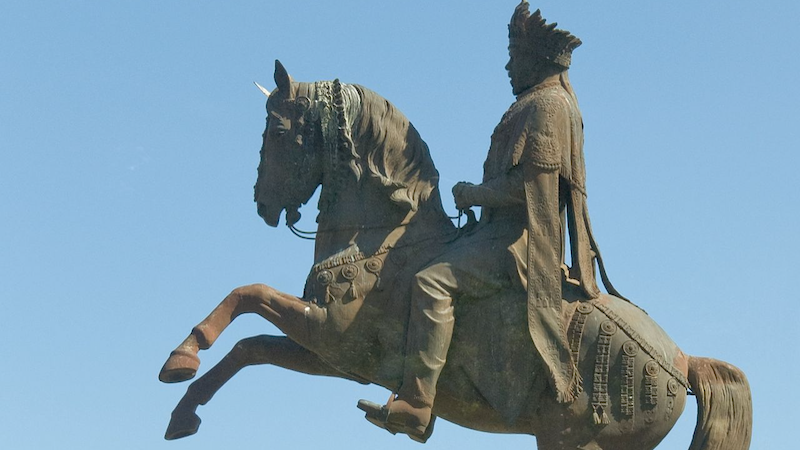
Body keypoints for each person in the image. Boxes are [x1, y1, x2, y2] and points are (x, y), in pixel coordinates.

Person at [359, 1, 622, 441]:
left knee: (430, 281)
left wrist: (475, 193)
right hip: (493, 232)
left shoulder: (549, 106)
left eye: (514, 56)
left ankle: (418, 403)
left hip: (516, 243)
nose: (506, 66)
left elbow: (534, 191)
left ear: (536, 59)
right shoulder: (535, 104)